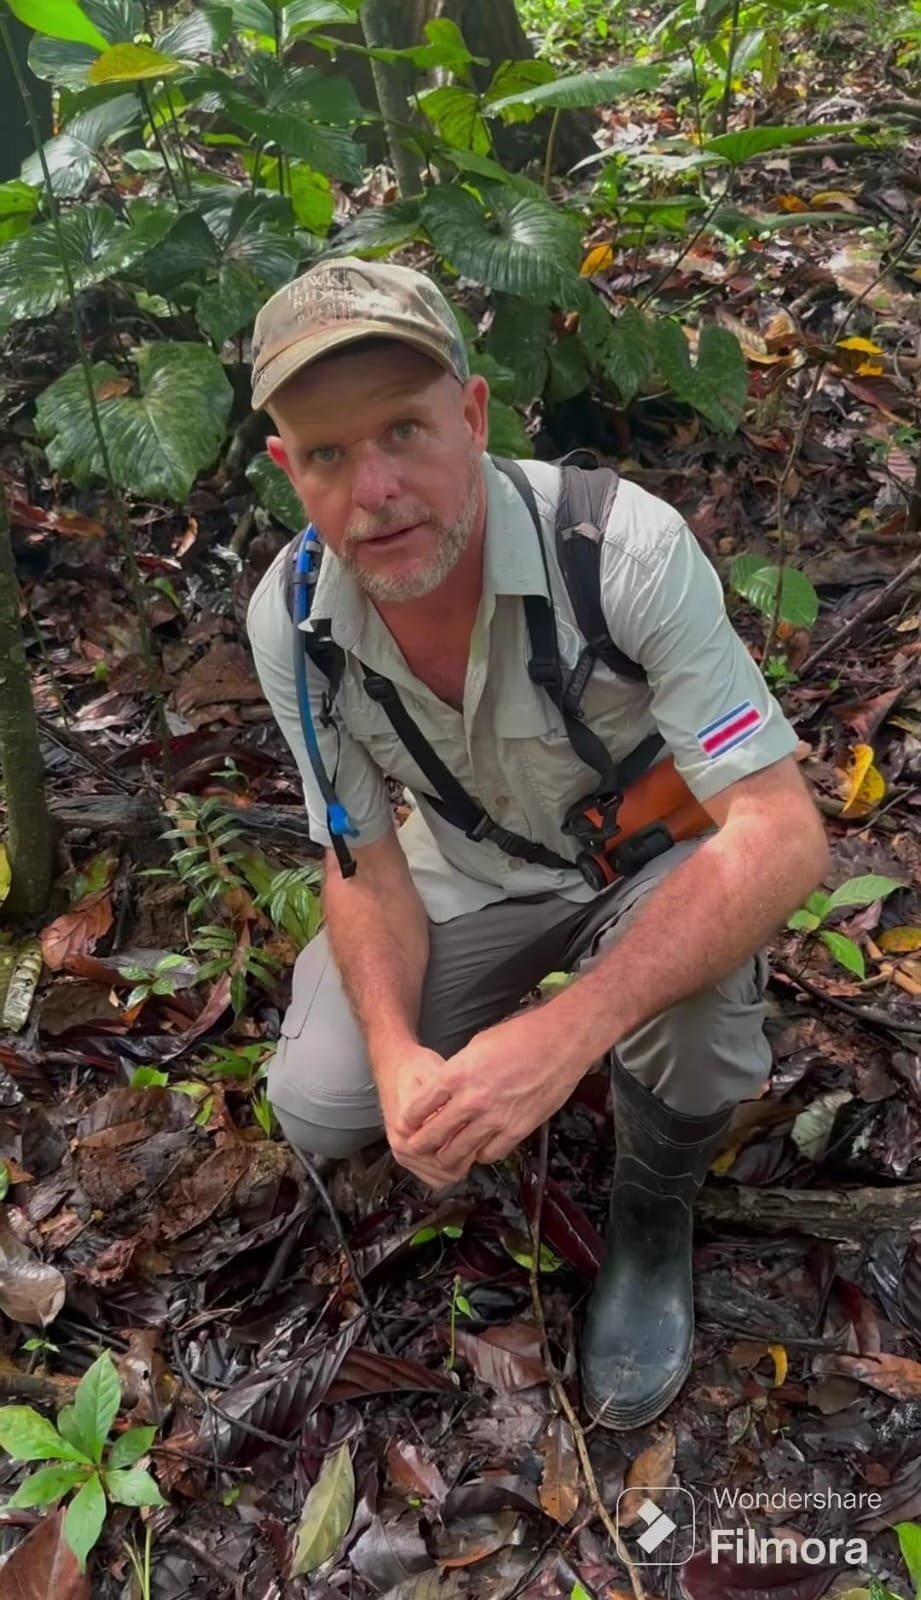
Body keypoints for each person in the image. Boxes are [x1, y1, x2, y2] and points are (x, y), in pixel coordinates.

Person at [246, 256, 829, 1430]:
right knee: (324, 1098)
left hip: (650, 860)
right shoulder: (293, 622)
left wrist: (565, 1029)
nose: (377, 491)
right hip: (473, 874)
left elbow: (781, 832)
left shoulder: (618, 549)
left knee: (704, 1027)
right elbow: (361, 860)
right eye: (328, 454)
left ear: (472, 412)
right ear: (286, 470)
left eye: (405, 429)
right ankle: (471, 1079)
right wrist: (402, 1049)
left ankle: (651, 1213)